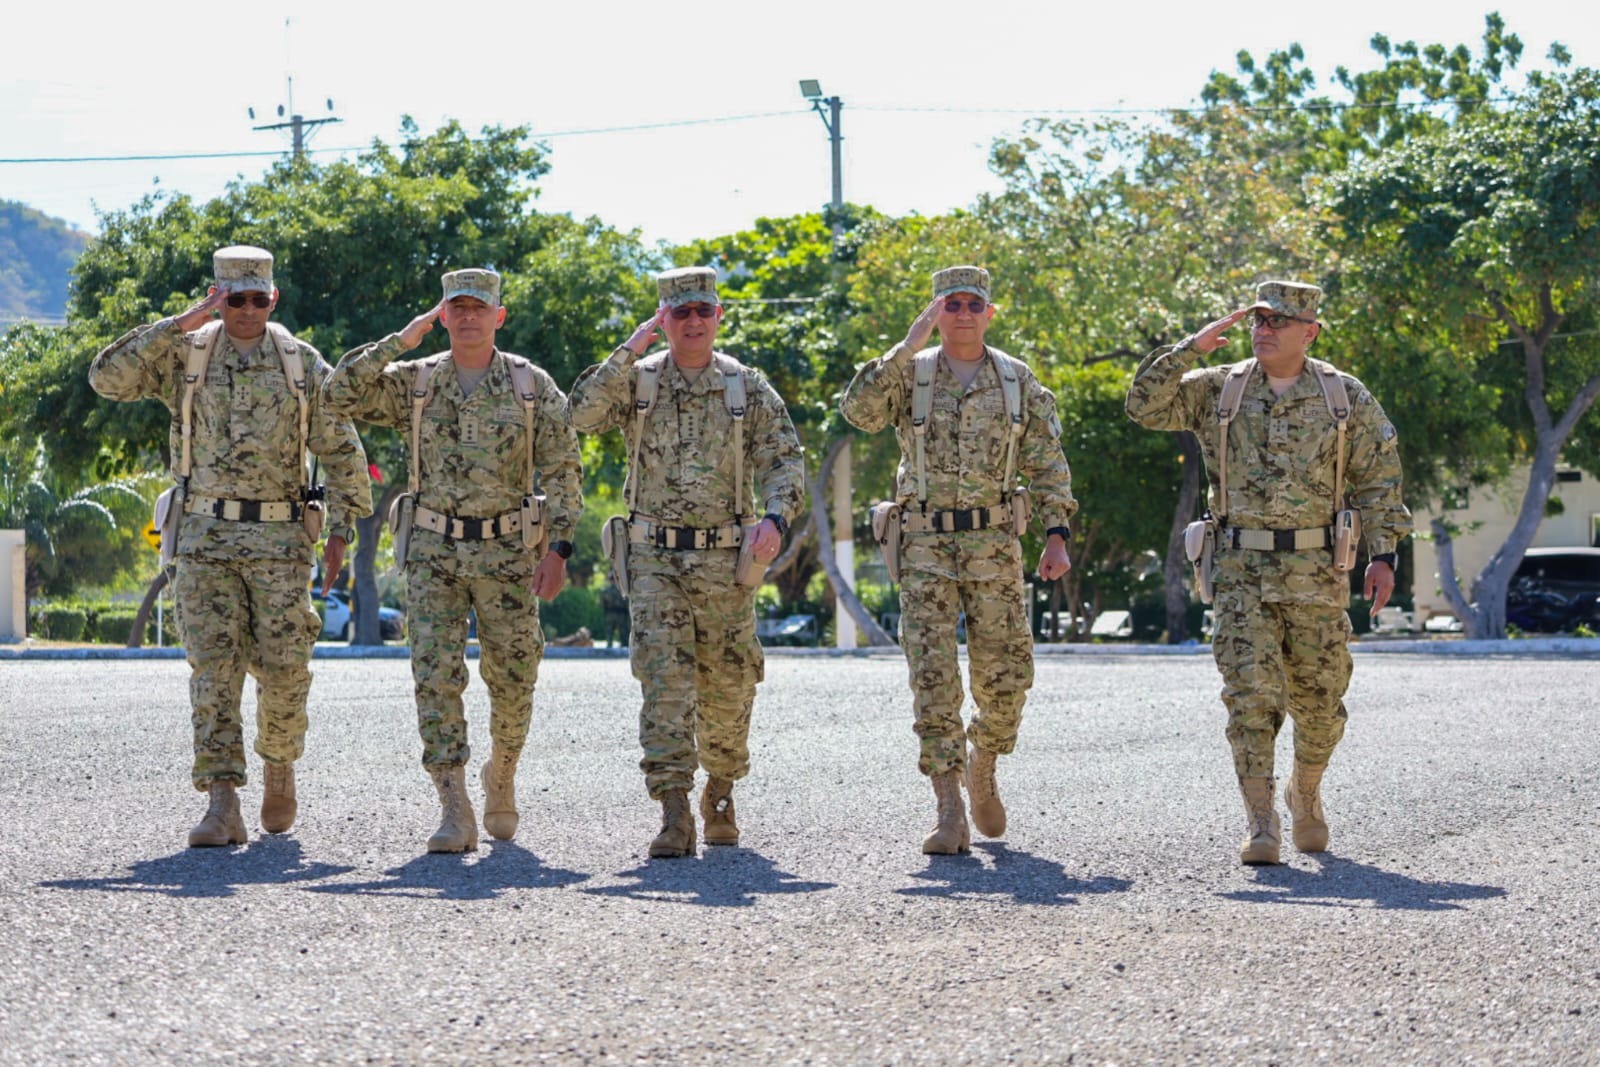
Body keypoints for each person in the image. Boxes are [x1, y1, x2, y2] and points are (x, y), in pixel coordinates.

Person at [88, 245, 371, 847]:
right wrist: (183, 321)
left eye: (256, 298)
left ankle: (279, 764)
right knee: (213, 670)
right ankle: (222, 802)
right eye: (232, 298)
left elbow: (344, 451)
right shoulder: (185, 356)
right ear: (216, 297)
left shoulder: (302, 364)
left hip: (280, 540)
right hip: (204, 539)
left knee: (285, 669)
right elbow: (105, 378)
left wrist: (342, 530)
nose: (245, 309)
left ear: (275, 298)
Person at [1126, 280, 1411, 864]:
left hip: (1316, 573)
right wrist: (1191, 349)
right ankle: (1261, 822)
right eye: (1258, 319)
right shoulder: (1218, 389)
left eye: (1279, 321)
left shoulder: (1342, 397)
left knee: (1323, 702)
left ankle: (1304, 791)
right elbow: (1143, 406)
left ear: (1309, 331)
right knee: (1250, 698)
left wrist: (1384, 556)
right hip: (1239, 572)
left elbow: (1380, 479)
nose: (1264, 329)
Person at [324, 269, 581, 853]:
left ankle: (503, 771)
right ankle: (453, 804)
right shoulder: (415, 382)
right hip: (435, 552)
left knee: (515, 680)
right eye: (456, 306)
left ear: (499, 315)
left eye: (479, 306)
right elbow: (336, 394)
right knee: (435, 678)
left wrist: (559, 548)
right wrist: (400, 341)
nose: (468, 316)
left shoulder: (530, 385)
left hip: (510, 554)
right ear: (442, 315)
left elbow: (564, 468)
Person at [567, 266, 804, 858]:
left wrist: (775, 519)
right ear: (663, 320)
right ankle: (674, 810)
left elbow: (785, 462)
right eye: (680, 313)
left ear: (718, 316)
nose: (693, 322)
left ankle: (720, 789)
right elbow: (579, 414)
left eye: (703, 311)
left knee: (729, 686)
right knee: (664, 682)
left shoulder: (745, 387)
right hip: (654, 558)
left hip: (728, 561)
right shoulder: (638, 382)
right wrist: (632, 346)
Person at [840, 265, 1076, 855]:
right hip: (923, 545)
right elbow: (859, 412)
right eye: (951, 304)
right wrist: (909, 343)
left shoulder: (1017, 380)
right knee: (932, 676)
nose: (963, 313)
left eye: (974, 304)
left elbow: (1047, 461)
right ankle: (949, 809)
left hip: (995, 543)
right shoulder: (910, 375)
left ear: (989, 313)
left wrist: (1056, 534)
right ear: (935, 311)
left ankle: (984, 760)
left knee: (1009, 675)